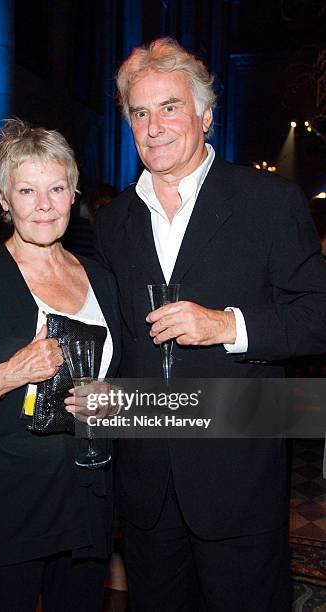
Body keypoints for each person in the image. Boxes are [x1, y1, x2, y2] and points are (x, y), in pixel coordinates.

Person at [94, 38, 326, 611]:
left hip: (238, 467)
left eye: (169, 107)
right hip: (146, 477)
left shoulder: (271, 202)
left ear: (204, 114)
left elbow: (317, 317)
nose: (154, 126)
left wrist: (228, 326)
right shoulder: (112, 221)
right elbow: (110, 341)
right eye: (139, 113)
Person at [0, 119, 120, 612]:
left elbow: (122, 381)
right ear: (4, 200)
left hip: (86, 501)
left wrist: (115, 400)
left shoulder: (100, 278)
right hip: (2, 508)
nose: (45, 204)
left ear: (74, 193)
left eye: (56, 188)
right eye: (27, 190)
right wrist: (7, 374)